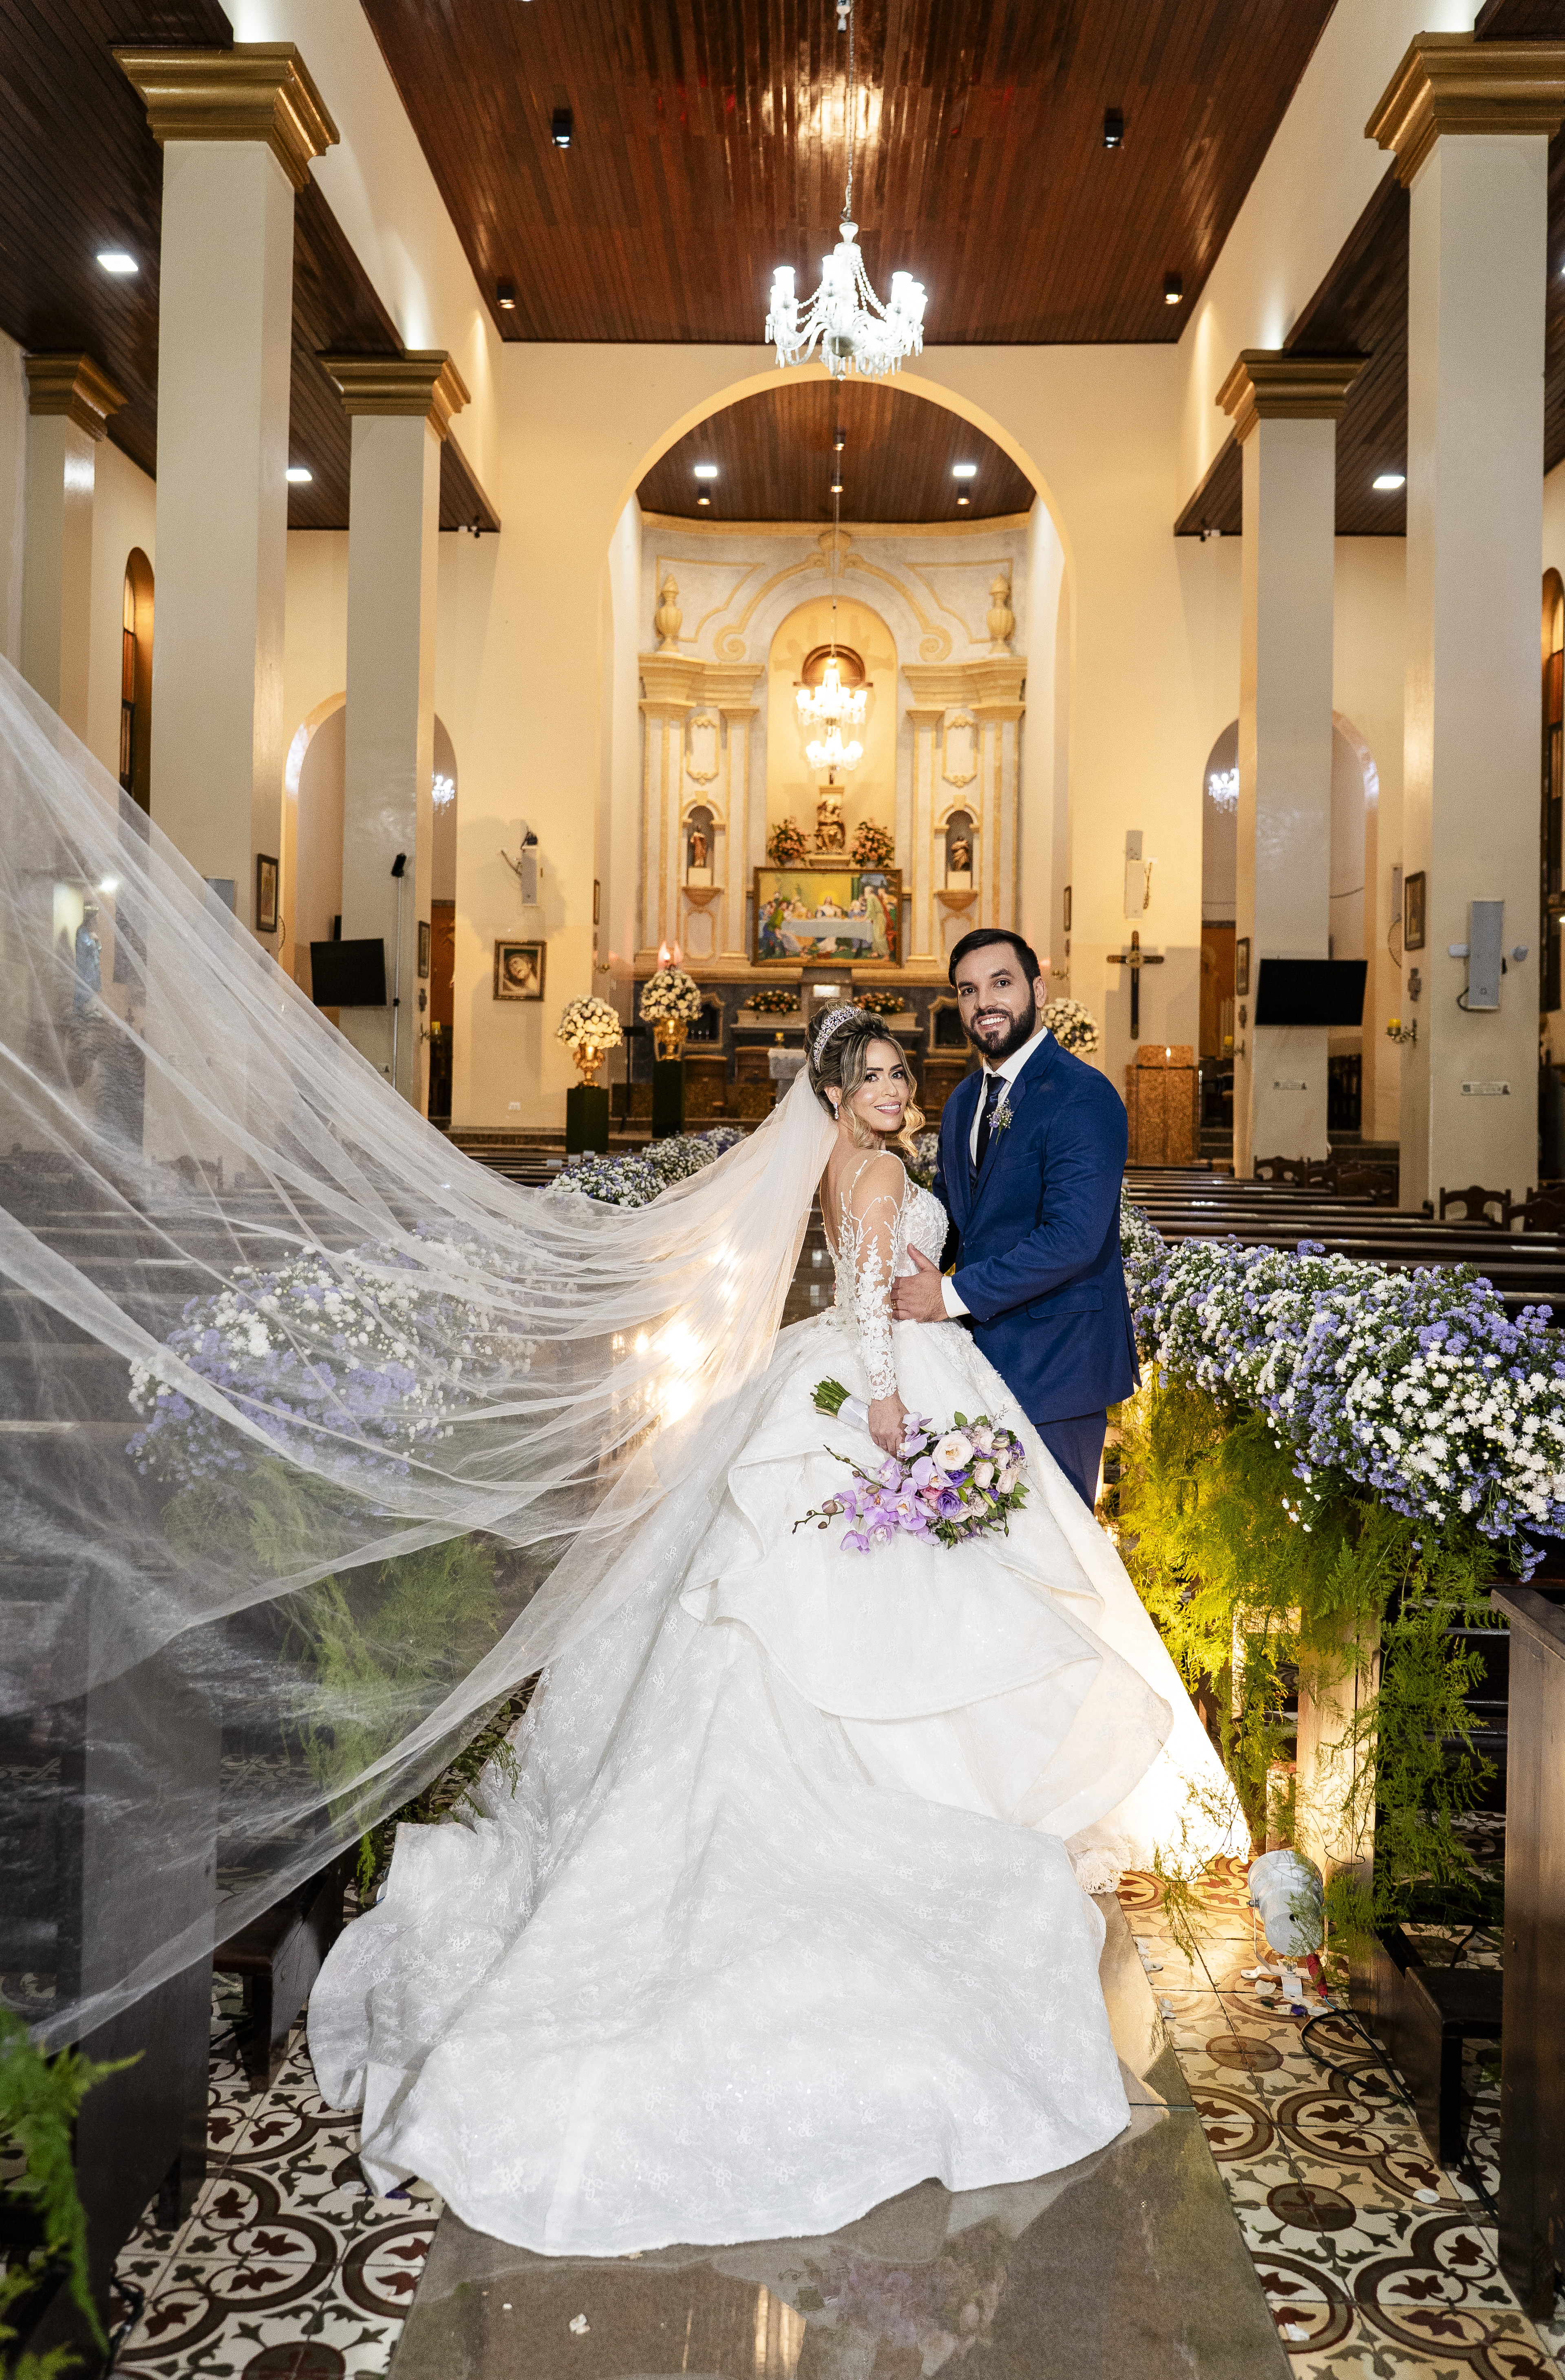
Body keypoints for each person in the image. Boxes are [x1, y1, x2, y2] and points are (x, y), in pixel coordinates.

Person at [309, 1004, 1229, 2255]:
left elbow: (860, 1291)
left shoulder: (859, 1163)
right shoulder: (884, 1171)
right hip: (888, 1389)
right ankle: (936, 1804)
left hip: (870, 1376)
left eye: (905, 1073)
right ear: (837, 1095)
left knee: (832, 1606)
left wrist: (897, 1372)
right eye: (874, 1077)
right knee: (883, 1612)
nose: (898, 1091)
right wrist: (896, 1419)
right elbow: (865, 1312)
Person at [892, 928, 1134, 1509]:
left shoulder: (1082, 1094)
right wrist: (887, 1270)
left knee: (1057, 1548)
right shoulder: (961, 1101)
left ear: (1039, 990)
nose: (985, 1003)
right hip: (977, 1361)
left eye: (1001, 983)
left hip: (1058, 1363)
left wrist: (947, 1297)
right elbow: (954, 1220)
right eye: (969, 990)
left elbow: (1073, 1238)